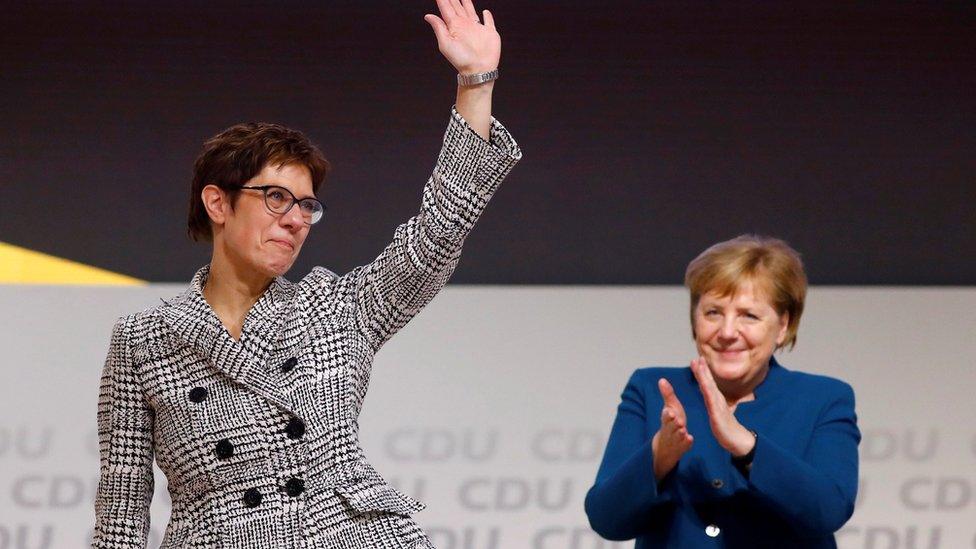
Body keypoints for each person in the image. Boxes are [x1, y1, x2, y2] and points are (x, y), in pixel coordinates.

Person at [91, 1, 520, 547]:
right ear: (217, 203)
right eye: (275, 198)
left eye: (307, 206)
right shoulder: (143, 340)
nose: (295, 219)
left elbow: (439, 230)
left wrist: (475, 83)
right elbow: (120, 512)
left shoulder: (336, 309)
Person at [584, 235, 860, 548]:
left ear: (783, 325)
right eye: (713, 312)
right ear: (694, 319)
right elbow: (606, 520)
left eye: (749, 316)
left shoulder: (823, 399)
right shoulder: (651, 389)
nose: (727, 333)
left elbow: (828, 511)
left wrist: (747, 446)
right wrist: (659, 456)